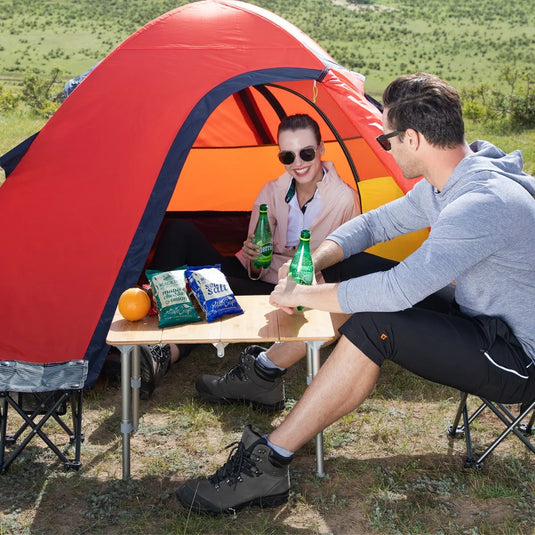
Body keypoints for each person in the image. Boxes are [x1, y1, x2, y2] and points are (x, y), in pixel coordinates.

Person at [176, 73, 535, 514]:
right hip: (480, 320)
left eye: (388, 140)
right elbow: (373, 226)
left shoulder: (481, 203)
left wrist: (303, 293)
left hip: (517, 358)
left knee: (376, 322)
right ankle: (265, 373)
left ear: (413, 138)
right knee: (350, 263)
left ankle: (269, 463)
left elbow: (399, 290)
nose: (388, 149)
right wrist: (313, 264)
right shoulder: (452, 181)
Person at [137, 114, 360, 398]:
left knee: (212, 285)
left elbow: (347, 264)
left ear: (321, 149)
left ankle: (165, 352)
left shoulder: (343, 199)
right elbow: (253, 259)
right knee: (179, 231)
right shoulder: (273, 190)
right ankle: (154, 327)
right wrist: (254, 257)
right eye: (288, 156)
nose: (298, 164)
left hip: (292, 287)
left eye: (306, 153)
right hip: (255, 275)